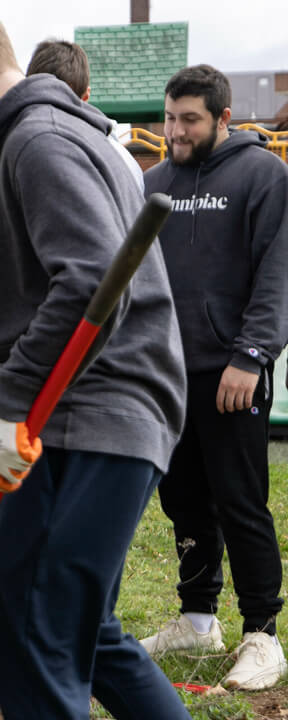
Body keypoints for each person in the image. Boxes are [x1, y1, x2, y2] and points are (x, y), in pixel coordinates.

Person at [0, 1, 190, 717]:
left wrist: (12, 394)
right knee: (63, 625)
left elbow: (90, 281)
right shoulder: (52, 134)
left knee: (41, 631)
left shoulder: (37, 140)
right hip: (86, 414)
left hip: (93, 415)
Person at [137, 63, 288, 690]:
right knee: (184, 498)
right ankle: (198, 618)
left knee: (240, 498)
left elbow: (278, 272)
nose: (176, 131)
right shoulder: (154, 182)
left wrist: (251, 355)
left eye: (190, 120)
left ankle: (262, 633)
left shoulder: (264, 175)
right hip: (170, 372)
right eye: (171, 118)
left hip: (234, 372)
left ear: (223, 118)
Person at [24, 39, 144, 192]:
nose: (53, 117)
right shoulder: (125, 162)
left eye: (62, 105)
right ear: (86, 96)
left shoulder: (16, 154)